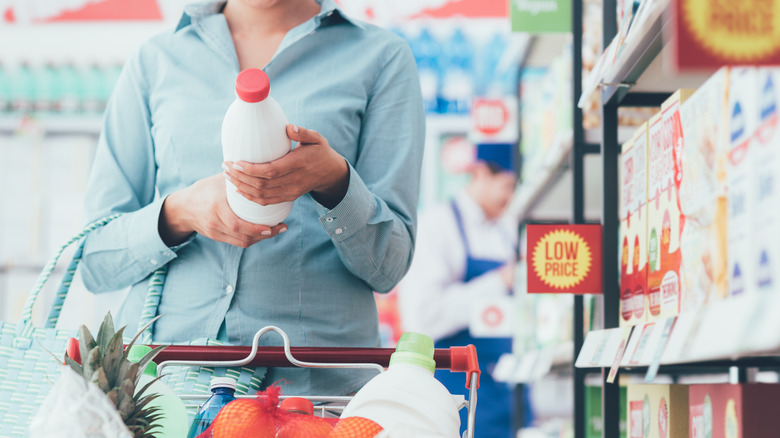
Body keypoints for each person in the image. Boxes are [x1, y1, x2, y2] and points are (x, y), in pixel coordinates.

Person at [78, 0, 424, 397]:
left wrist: (335, 181)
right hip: (165, 391)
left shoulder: (380, 57)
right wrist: (178, 214)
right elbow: (94, 260)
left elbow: (389, 268)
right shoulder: (157, 60)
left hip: (312, 395)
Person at [398, 143, 519, 438]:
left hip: (505, 395)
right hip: (456, 394)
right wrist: (498, 282)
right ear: (479, 173)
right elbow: (423, 317)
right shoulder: (438, 226)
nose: (511, 196)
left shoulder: (506, 231)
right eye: (507, 185)